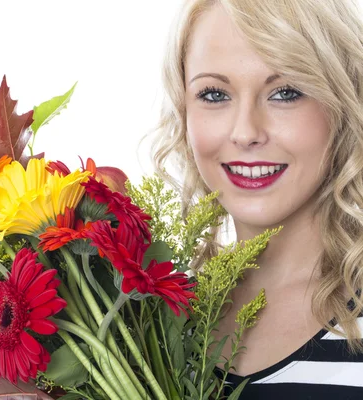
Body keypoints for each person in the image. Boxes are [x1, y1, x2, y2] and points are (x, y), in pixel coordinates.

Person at [152, 0, 363, 398]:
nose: (246, 132)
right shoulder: (152, 320)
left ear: (344, 104)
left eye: (285, 92)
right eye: (214, 95)